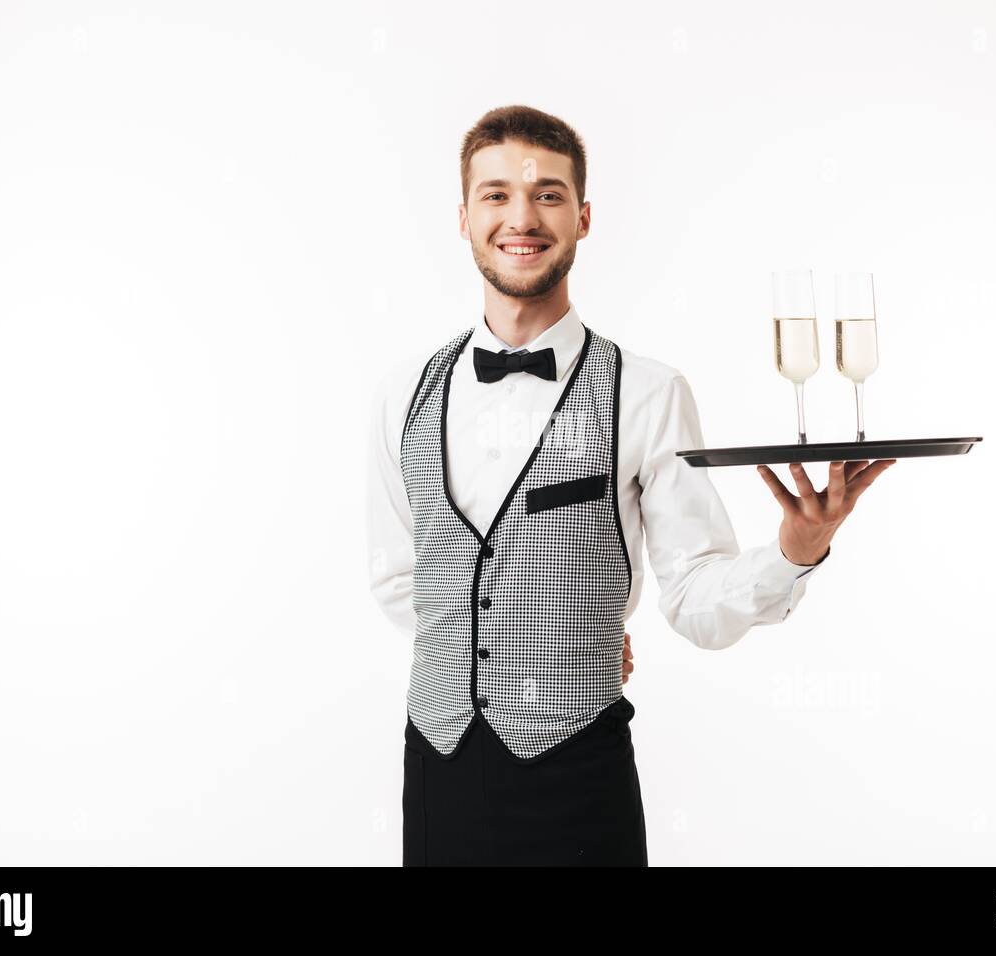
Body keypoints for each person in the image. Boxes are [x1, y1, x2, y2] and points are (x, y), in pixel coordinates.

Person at [365, 104, 895, 866]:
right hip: (438, 776)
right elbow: (398, 580)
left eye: (547, 194)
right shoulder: (403, 393)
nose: (522, 217)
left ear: (582, 217)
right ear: (463, 217)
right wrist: (527, 649)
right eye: (497, 195)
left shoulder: (646, 394)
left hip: (579, 786)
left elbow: (695, 598)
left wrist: (793, 549)